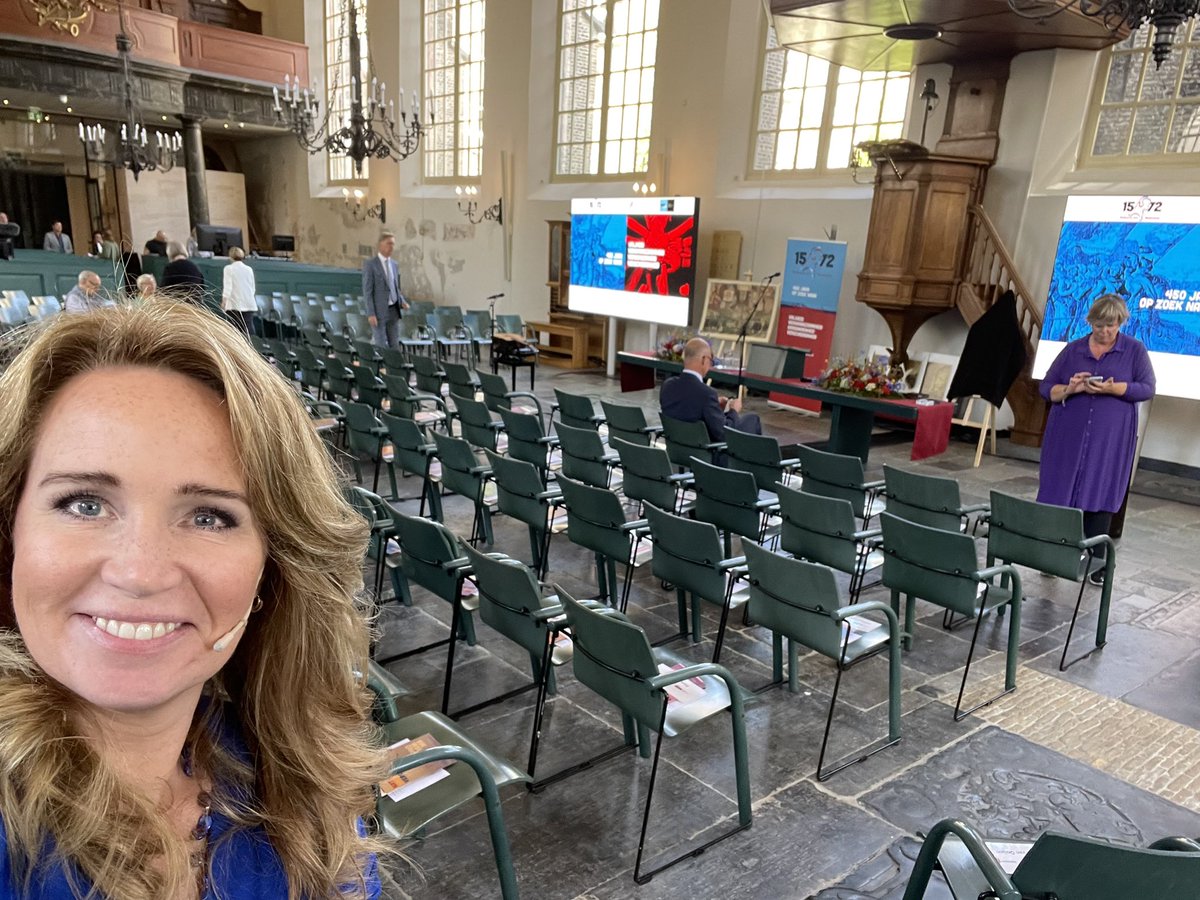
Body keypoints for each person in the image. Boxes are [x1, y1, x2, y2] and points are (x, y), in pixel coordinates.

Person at [0, 302, 383, 898]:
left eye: (209, 516)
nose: (139, 572)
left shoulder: (294, 775)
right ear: (10, 535)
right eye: (83, 503)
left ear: (272, 571)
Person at [1038, 293, 1155, 586]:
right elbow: (1046, 388)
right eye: (1100, 325)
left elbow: (1147, 388)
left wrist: (1116, 389)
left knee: (1100, 489)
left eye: (1112, 325)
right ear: (1090, 322)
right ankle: (1052, 557)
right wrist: (1071, 388)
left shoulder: (1134, 351)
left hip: (1110, 438)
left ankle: (1097, 562)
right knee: (1060, 489)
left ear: (1121, 323)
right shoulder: (1073, 350)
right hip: (1068, 434)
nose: (1105, 331)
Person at [660, 337, 763, 459]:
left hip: (677, 451)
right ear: (703, 359)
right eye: (711, 360)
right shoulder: (706, 394)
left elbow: (687, 409)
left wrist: (714, 407)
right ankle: (750, 472)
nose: (710, 365)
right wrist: (733, 410)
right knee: (752, 420)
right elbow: (723, 434)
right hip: (706, 456)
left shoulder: (667, 385)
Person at [362, 231, 408, 347]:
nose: (392, 247)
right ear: (380, 245)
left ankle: (394, 365)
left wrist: (402, 301)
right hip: (379, 311)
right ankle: (382, 365)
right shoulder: (371, 264)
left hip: (393, 310)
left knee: (394, 344)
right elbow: (368, 291)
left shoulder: (394, 264)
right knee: (381, 345)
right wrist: (371, 313)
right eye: (389, 243)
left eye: (393, 244)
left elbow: (395, 287)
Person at [221, 246, 257, 334]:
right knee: (248, 328)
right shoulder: (249, 269)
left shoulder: (228, 268)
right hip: (248, 302)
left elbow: (228, 286)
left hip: (234, 302)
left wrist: (224, 301)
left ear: (230, 256)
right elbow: (252, 287)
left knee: (234, 329)